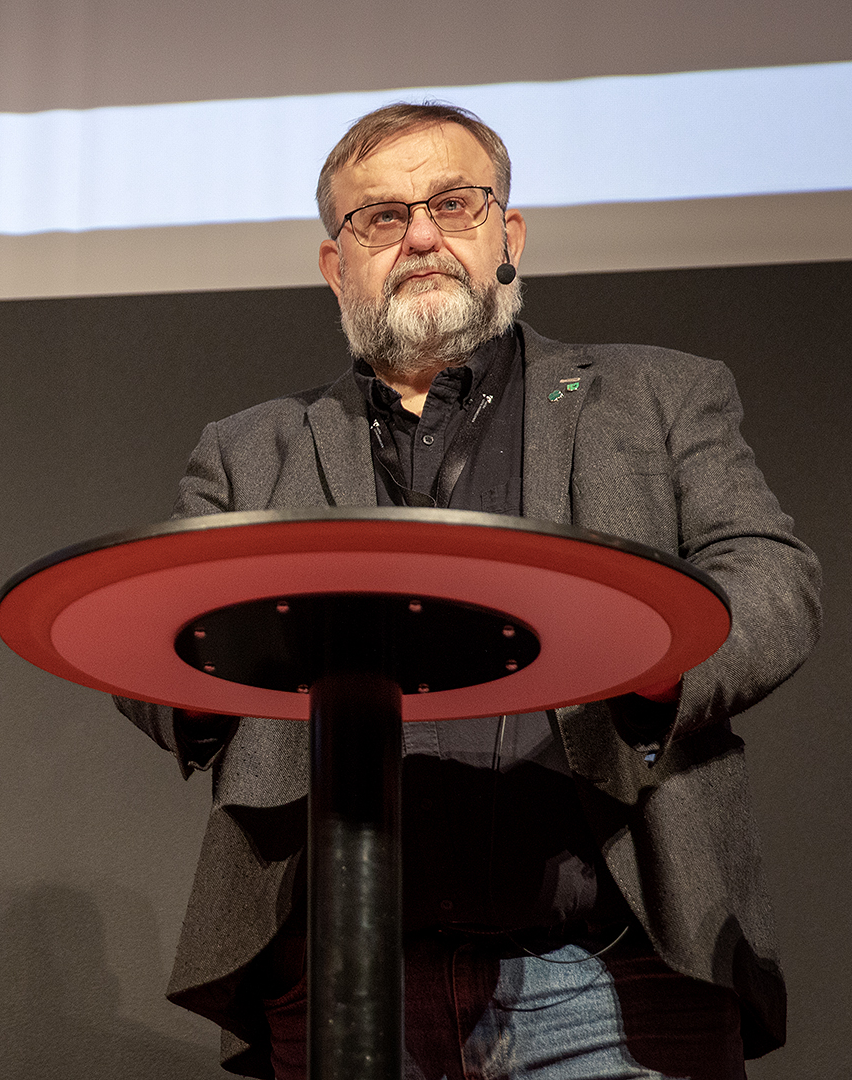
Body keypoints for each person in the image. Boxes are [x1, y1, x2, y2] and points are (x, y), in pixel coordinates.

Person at [116, 104, 820, 1079]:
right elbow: (152, 639)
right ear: (335, 266)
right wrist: (202, 688)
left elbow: (770, 573)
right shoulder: (247, 450)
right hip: (340, 986)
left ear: (508, 237)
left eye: (453, 204)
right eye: (380, 217)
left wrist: (661, 667)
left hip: (610, 976)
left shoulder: (658, 396)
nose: (420, 236)